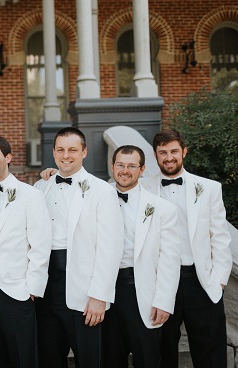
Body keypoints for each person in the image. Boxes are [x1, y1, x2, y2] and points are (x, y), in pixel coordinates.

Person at [33, 126, 123, 368]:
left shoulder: (103, 190)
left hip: (84, 292)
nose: (66, 155)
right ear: (53, 152)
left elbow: (110, 247)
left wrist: (99, 296)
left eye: (72, 149)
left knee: (89, 359)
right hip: (45, 287)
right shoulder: (40, 187)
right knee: (49, 357)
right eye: (60, 150)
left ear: (84, 151)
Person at [141, 129, 232, 368]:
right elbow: (106, 190)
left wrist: (219, 279)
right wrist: (56, 173)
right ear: (155, 155)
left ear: (184, 152)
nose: (168, 157)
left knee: (210, 348)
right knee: (162, 348)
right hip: (160, 282)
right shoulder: (142, 189)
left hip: (200, 281)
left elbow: (220, 237)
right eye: (163, 153)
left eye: (173, 151)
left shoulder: (209, 188)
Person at [0, 135, 51, 368]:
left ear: (8, 157)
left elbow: (40, 245)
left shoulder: (30, 195)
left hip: (18, 287)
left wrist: (32, 289)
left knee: (22, 354)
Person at [102, 145, 181, 368]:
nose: (125, 171)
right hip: (103, 291)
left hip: (141, 290)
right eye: (120, 165)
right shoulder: (96, 197)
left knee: (147, 358)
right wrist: (48, 173)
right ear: (112, 166)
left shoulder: (162, 208)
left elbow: (169, 259)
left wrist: (164, 302)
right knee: (108, 358)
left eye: (131, 166)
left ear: (142, 169)